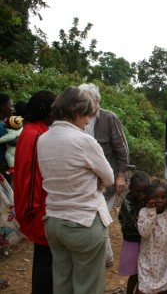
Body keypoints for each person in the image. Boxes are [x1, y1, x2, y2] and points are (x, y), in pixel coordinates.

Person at [37, 86, 114, 294]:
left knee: (62, 282)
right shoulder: (84, 140)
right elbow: (109, 177)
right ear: (77, 112)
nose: (88, 121)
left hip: (53, 221)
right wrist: (95, 181)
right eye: (87, 116)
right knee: (88, 286)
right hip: (83, 222)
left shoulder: (43, 139)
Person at [78, 83, 130, 266]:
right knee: (94, 218)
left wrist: (121, 176)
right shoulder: (76, 119)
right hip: (85, 181)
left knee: (100, 218)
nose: (82, 104)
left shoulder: (109, 118)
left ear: (97, 100)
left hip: (107, 180)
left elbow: (122, 150)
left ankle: (105, 258)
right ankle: (105, 257)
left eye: (86, 100)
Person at [14, 90, 56, 294]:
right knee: (46, 261)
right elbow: (31, 178)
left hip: (36, 206)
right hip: (38, 208)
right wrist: (35, 211)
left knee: (44, 259)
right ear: (47, 112)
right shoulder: (36, 135)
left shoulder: (31, 131)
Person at [137, 181, 167, 294]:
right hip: (147, 260)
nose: (160, 200)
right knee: (144, 289)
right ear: (148, 198)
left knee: (166, 288)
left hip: (164, 260)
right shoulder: (144, 212)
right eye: (155, 197)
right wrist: (151, 214)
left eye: (163, 197)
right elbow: (143, 233)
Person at [118, 170, 150, 294]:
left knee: (143, 271)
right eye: (138, 191)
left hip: (143, 242)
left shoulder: (147, 201)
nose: (141, 195)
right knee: (135, 272)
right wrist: (143, 206)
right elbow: (136, 224)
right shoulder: (127, 204)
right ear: (131, 188)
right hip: (132, 242)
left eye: (144, 191)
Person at [0, 93, 14, 184]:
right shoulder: (1, 126)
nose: (12, 108)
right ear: (2, 106)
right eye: (11, 106)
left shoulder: (3, 123)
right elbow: (11, 142)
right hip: (3, 164)